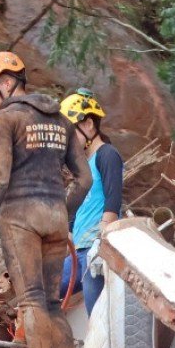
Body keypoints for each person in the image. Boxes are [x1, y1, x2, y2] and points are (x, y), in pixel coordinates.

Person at [0, 52, 81, 348]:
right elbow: (83, 178)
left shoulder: (7, 119)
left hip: (20, 217)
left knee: (30, 299)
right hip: (56, 217)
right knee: (52, 302)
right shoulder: (62, 120)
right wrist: (61, 209)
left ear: (6, 82)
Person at [60, 90, 124, 315]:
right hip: (78, 252)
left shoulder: (107, 155)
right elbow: (77, 209)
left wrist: (102, 244)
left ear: (88, 124)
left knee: (95, 311)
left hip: (94, 251)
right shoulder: (82, 167)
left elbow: (112, 201)